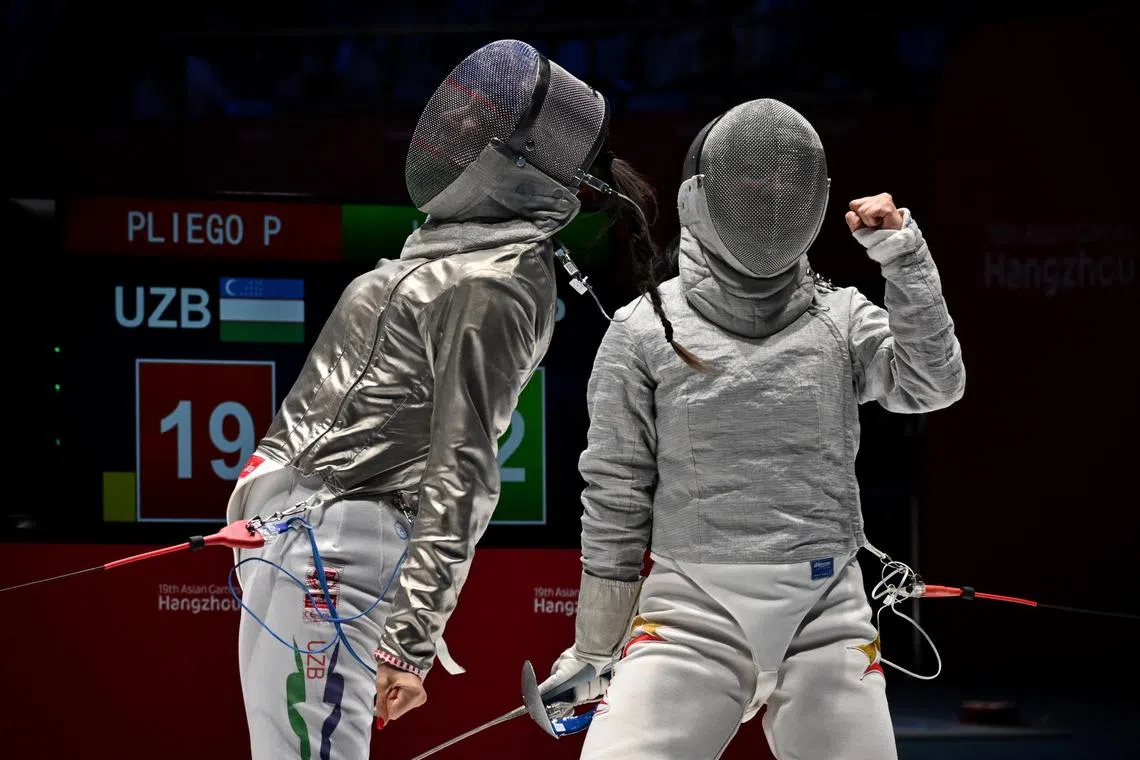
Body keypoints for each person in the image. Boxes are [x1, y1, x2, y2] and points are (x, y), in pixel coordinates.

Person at [223, 39, 657, 760]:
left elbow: (464, 469)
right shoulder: (437, 250)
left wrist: (410, 637)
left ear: (525, 155)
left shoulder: (502, 280)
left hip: (341, 548)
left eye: (481, 121)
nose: (455, 126)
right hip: (285, 540)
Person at [542, 98, 966, 759]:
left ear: (812, 200)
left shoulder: (840, 319)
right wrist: (594, 649)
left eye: (784, 182)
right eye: (750, 179)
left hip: (826, 615)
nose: (768, 195)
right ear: (700, 197)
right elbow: (616, 499)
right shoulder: (644, 331)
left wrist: (902, 254)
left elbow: (932, 383)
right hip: (690, 616)